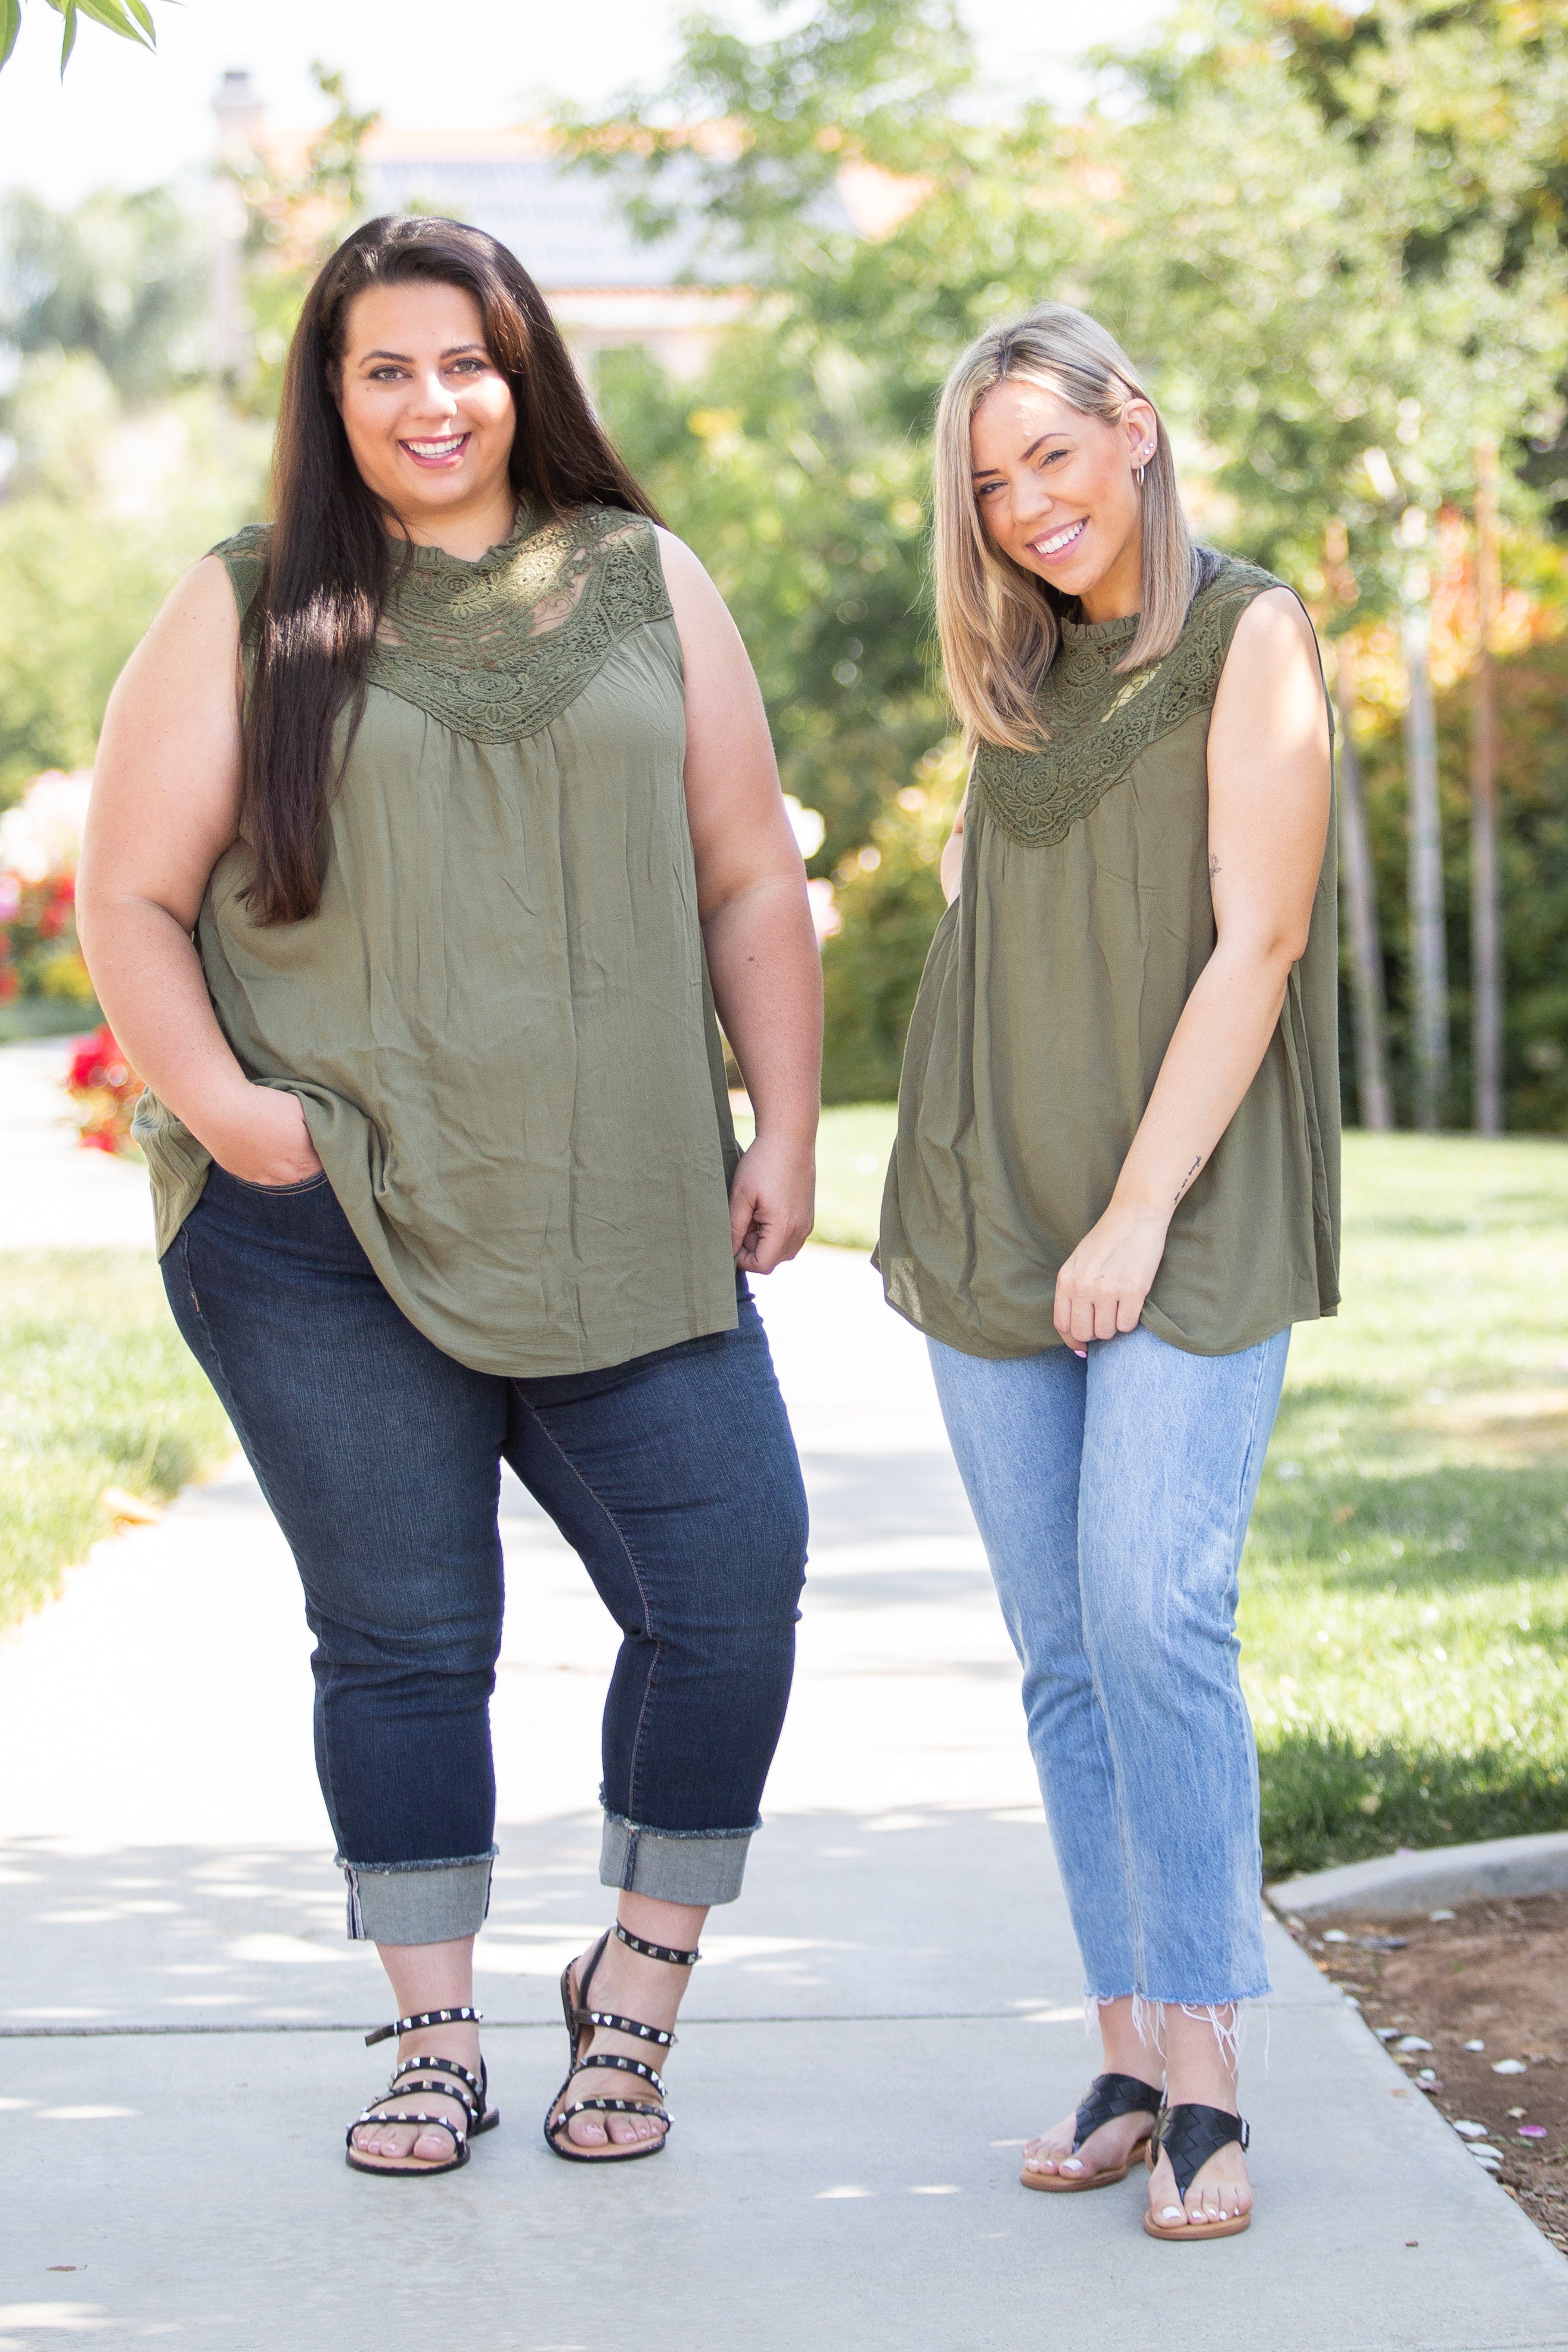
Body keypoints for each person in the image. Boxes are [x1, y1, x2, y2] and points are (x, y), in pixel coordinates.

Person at [77, 215, 819, 2179]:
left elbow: (747, 870)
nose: (434, 401)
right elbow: (128, 900)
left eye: (467, 362)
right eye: (386, 367)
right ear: (333, 394)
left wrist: (786, 1125)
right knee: (407, 1637)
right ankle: (431, 2040)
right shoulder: (246, 605)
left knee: (732, 1583)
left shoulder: (652, 580)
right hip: (323, 1227)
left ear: (527, 373)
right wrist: (236, 1113)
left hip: (623, 1199)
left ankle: (631, 2001)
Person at [878, 303, 1337, 2240]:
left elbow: (1255, 944)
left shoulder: (1255, 639)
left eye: (1049, 458)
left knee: (1156, 1613)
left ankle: (1214, 2064)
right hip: (994, 1197)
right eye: (989, 485)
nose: (1025, 507)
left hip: (1187, 1197)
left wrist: (1140, 1206)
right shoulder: (1021, 677)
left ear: (1133, 428)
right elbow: (1003, 928)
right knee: (1064, 1652)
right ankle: (1132, 2041)